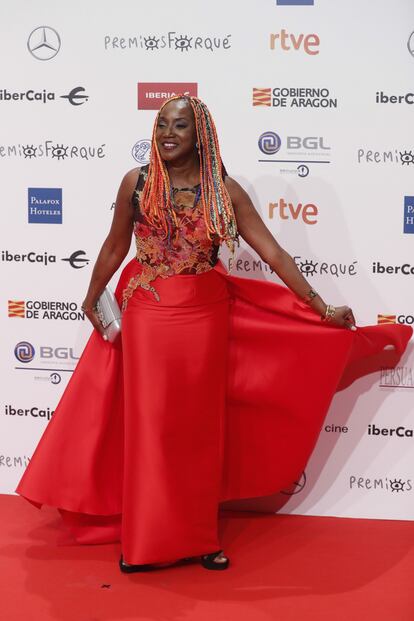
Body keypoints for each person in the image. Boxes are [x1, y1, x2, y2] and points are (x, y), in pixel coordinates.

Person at [15, 95, 412, 572]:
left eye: (179, 126)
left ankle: (200, 537)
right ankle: (145, 543)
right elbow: (115, 244)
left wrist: (321, 305)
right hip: (149, 316)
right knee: (152, 432)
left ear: (199, 134)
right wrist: (92, 294)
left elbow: (275, 254)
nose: (167, 133)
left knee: (199, 436)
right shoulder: (136, 183)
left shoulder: (224, 190)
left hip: (204, 317)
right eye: (161, 124)